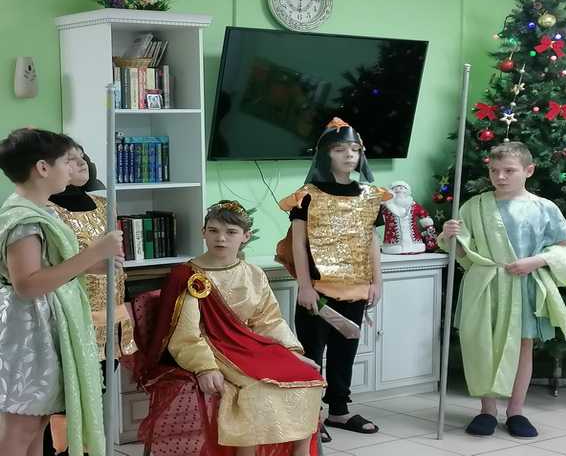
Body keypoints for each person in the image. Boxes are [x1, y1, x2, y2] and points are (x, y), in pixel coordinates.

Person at [134, 200, 324, 456]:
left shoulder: (253, 273)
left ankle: (300, 453)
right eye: (213, 230)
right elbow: (186, 333)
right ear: (203, 232)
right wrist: (204, 367)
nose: (221, 238)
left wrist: (291, 352)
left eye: (231, 232)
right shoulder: (188, 276)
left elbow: (268, 320)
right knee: (255, 389)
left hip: (249, 345)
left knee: (306, 377)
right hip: (212, 349)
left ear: (245, 236)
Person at [438, 141, 566, 438]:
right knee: (482, 343)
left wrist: (536, 261)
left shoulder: (544, 208)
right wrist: (450, 237)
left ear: (529, 170)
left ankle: (516, 411)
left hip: (524, 285)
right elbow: (463, 255)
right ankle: (487, 410)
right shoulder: (474, 206)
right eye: (494, 171)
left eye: (509, 171)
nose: (500, 177)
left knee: (523, 346)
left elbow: (564, 251)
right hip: (485, 285)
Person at [0, 128, 124, 456]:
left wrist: (90, 266)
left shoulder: (43, 211)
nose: (74, 168)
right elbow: (27, 284)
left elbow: (49, 268)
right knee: (20, 427)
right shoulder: (23, 220)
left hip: (45, 326)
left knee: (37, 422)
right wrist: (93, 253)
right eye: (66, 162)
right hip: (27, 332)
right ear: (43, 168)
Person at [277, 117, 391, 440]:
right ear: (326, 154)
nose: (348, 155)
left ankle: (339, 409)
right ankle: (310, 416)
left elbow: (371, 241)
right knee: (312, 354)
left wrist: (377, 281)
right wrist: (304, 285)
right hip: (318, 290)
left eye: (354, 149)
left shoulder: (369, 196)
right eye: (340, 149)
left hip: (355, 288)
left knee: (345, 351)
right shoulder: (308, 196)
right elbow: (298, 243)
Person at [43, 145, 138, 456]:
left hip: (110, 319)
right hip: (68, 320)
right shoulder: (45, 211)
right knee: (64, 402)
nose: (81, 162)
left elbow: (119, 264)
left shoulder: (105, 206)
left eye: (82, 155)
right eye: (70, 158)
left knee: (96, 396)